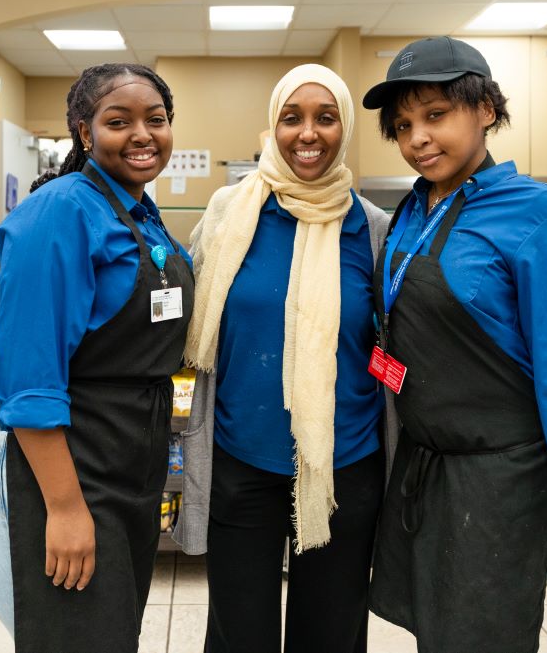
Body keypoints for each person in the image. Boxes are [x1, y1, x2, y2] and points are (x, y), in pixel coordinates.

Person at [361, 37, 547, 653]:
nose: (418, 139)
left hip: (501, 483)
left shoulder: (535, 214)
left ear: (486, 108)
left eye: (436, 115)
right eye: (403, 125)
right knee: (435, 634)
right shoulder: (412, 209)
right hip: (423, 469)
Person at [0, 63, 193, 653]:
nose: (142, 134)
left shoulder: (138, 212)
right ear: (85, 133)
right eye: (119, 121)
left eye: (156, 120)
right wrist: (64, 509)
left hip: (127, 458)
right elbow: (28, 378)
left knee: (111, 634)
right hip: (66, 462)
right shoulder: (60, 212)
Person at [175, 64, 397, 653]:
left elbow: (389, 345)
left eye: (326, 118)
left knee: (329, 634)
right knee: (238, 634)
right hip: (241, 462)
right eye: (292, 118)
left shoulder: (374, 231)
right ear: (272, 126)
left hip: (342, 466)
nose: (308, 133)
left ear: (344, 128)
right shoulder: (228, 215)